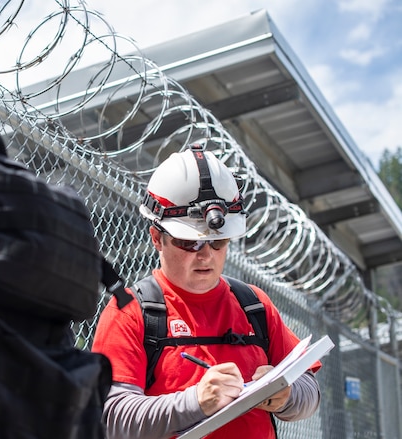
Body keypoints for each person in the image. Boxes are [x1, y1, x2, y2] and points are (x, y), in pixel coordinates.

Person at [91, 144, 321, 439]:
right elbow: (112, 419)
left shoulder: (253, 305)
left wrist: (285, 395)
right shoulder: (131, 312)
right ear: (157, 238)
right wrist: (196, 402)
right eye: (190, 243)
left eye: (218, 242)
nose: (206, 256)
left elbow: (311, 391)